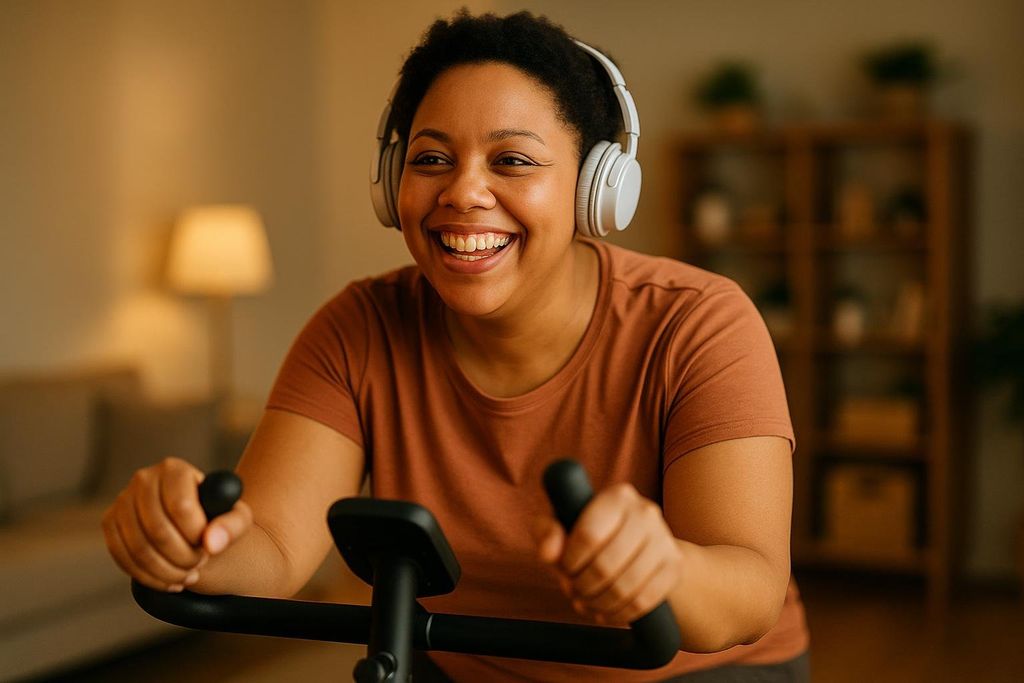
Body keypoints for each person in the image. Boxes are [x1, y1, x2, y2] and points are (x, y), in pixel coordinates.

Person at [102, 10, 809, 682]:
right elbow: (277, 550)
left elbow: (748, 593)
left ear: (596, 190)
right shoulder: (357, 328)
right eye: (433, 157)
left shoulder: (699, 324)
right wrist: (187, 542)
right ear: (392, 185)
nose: (465, 191)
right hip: (463, 664)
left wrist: (664, 568)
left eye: (513, 160)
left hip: (690, 670)